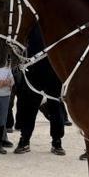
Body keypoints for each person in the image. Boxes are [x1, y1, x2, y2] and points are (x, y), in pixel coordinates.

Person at [13, 27, 67, 156]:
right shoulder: (32, 25)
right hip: (34, 72)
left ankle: (57, 142)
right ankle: (24, 140)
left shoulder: (56, 24)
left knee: (56, 108)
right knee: (29, 108)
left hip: (54, 73)